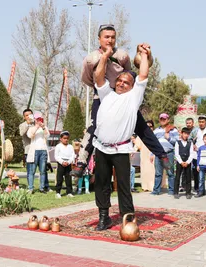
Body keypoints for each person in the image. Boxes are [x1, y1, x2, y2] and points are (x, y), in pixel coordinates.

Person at [71, 24, 167, 178]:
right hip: (102, 95)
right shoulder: (91, 58)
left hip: (122, 97)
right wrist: (101, 88)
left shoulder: (122, 55)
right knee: (94, 127)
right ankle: (82, 163)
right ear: (99, 39)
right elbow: (87, 78)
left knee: (141, 126)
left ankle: (162, 155)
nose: (110, 40)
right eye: (106, 37)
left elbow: (130, 73)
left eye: (112, 37)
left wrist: (142, 54)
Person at [92, 42, 150, 231]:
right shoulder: (106, 94)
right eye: (119, 80)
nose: (122, 83)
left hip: (121, 148)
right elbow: (98, 76)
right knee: (101, 183)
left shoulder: (133, 98)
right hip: (101, 147)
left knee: (124, 185)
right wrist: (104, 56)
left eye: (126, 82)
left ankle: (128, 218)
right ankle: (104, 217)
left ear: (132, 86)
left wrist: (144, 54)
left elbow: (143, 75)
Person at [151, 113, 179, 195]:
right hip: (158, 155)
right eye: (161, 119)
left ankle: (171, 190)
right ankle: (156, 191)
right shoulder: (156, 131)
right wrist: (152, 154)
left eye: (164, 119)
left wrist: (169, 137)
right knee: (158, 173)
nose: (162, 120)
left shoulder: (173, 130)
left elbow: (177, 142)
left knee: (170, 173)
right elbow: (153, 144)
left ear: (168, 120)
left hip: (167, 154)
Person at [26, 113, 51, 194]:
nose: (39, 120)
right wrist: (36, 127)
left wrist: (43, 127)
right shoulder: (31, 128)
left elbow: (47, 136)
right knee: (32, 171)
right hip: (34, 151)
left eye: (40, 119)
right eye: (37, 119)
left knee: (43, 171)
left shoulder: (44, 128)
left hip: (43, 151)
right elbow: (29, 135)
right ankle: (30, 188)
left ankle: (42, 188)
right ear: (35, 120)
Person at [174, 127, 194, 199]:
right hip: (180, 162)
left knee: (188, 177)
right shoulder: (178, 142)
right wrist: (181, 162)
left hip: (188, 162)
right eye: (185, 133)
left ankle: (188, 193)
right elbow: (176, 153)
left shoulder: (190, 143)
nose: (186, 135)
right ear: (181, 133)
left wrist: (188, 162)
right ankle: (176, 192)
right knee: (177, 177)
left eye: (187, 134)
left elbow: (192, 153)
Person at [54, 131, 75, 198]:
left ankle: (69, 192)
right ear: (61, 139)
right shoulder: (58, 146)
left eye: (67, 138)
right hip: (61, 163)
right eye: (64, 138)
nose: (66, 140)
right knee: (59, 178)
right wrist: (62, 162)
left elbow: (72, 155)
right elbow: (56, 156)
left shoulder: (70, 146)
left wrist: (68, 162)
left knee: (68, 178)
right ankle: (58, 192)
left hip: (68, 164)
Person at [19, 109, 34, 191]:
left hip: (38, 149)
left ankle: (45, 186)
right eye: (26, 115)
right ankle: (30, 186)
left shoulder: (36, 124)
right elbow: (21, 133)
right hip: (28, 150)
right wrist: (28, 124)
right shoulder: (22, 125)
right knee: (30, 170)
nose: (29, 117)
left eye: (30, 114)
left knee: (43, 169)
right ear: (24, 117)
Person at [185, 117, 198, 192]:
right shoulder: (185, 130)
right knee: (186, 170)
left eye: (190, 123)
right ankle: (185, 186)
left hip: (195, 152)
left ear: (193, 123)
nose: (188, 124)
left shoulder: (196, 131)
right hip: (186, 152)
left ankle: (196, 186)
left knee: (195, 170)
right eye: (187, 123)